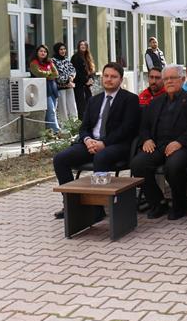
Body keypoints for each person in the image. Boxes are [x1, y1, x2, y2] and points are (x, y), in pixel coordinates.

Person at [52, 63, 139, 218]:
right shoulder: (94, 100)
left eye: (113, 77)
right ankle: (71, 205)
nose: (109, 79)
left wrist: (103, 144)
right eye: (106, 76)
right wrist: (87, 140)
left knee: (100, 157)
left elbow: (127, 128)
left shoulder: (130, 99)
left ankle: (98, 209)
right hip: (91, 143)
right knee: (60, 159)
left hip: (116, 145)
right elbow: (84, 127)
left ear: (120, 80)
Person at [131, 64, 187, 220]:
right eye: (166, 79)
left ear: (183, 79)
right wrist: (146, 139)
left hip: (184, 146)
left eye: (173, 78)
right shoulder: (156, 102)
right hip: (158, 145)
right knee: (138, 164)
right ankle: (157, 202)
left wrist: (180, 142)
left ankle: (180, 205)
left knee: (173, 165)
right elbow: (144, 126)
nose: (169, 81)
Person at [30, 44, 60, 134]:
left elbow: (56, 74)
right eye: (41, 51)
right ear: (37, 52)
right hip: (43, 88)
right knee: (51, 110)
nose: (43, 53)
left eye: (45, 51)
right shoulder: (33, 63)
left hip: (53, 87)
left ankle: (49, 132)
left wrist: (46, 74)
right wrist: (49, 73)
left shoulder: (49, 62)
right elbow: (38, 74)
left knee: (52, 110)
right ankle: (56, 131)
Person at [52, 42, 78, 124]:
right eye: (61, 49)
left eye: (64, 49)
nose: (63, 51)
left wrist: (71, 77)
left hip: (69, 86)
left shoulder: (66, 59)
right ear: (57, 50)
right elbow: (56, 75)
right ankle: (65, 126)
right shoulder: (53, 61)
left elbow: (72, 69)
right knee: (62, 108)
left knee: (72, 106)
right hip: (60, 87)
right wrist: (67, 80)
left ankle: (75, 125)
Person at [71, 40, 95, 120]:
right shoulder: (75, 57)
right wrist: (85, 80)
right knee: (81, 105)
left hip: (87, 85)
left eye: (84, 44)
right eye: (81, 44)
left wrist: (91, 79)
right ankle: (82, 122)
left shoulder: (88, 57)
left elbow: (91, 70)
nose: (83, 46)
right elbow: (76, 71)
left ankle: (89, 121)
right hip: (79, 85)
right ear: (78, 46)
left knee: (89, 103)